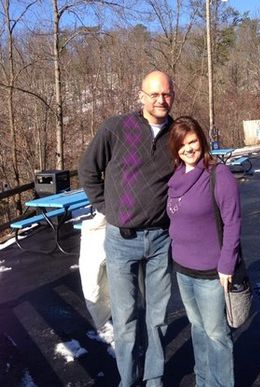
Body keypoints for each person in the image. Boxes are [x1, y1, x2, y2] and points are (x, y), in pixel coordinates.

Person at [79, 70, 175, 387]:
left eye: (166, 94)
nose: (161, 100)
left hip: (161, 239)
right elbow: (88, 169)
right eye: (154, 94)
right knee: (126, 318)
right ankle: (127, 379)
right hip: (122, 240)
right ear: (141, 96)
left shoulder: (177, 133)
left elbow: (197, 169)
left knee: (157, 317)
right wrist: (108, 208)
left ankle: (154, 378)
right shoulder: (116, 128)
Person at [167, 116, 241, 387]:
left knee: (216, 335)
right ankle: (203, 381)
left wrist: (226, 264)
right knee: (198, 330)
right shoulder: (176, 177)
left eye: (193, 141)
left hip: (211, 272)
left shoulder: (217, 175)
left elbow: (233, 221)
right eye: (182, 144)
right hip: (183, 270)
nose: (188, 149)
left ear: (202, 140)